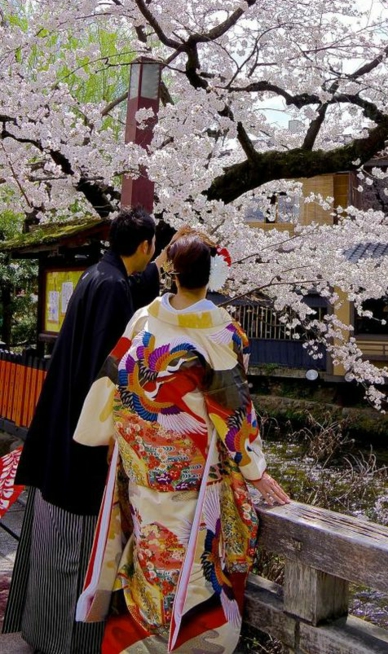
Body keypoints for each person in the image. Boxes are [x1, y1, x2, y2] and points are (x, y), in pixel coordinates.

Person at [74, 228, 289, 654]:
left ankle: (138, 643)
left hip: (141, 473)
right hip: (191, 482)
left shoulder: (143, 319)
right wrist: (255, 470)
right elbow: (234, 413)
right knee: (188, 568)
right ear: (212, 274)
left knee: (146, 560)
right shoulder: (221, 333)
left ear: (171, 272)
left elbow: (110, 382)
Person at [3, 206, 166, 654]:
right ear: (145, 245)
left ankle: (39, 628)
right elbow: (109, 372)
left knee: (51, 543)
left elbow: (133, 292)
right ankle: (66, 641)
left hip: (58, 423)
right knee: (77, 548)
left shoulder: (98, 275)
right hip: (82, 435)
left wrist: (156, 270)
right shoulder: (113, 289)